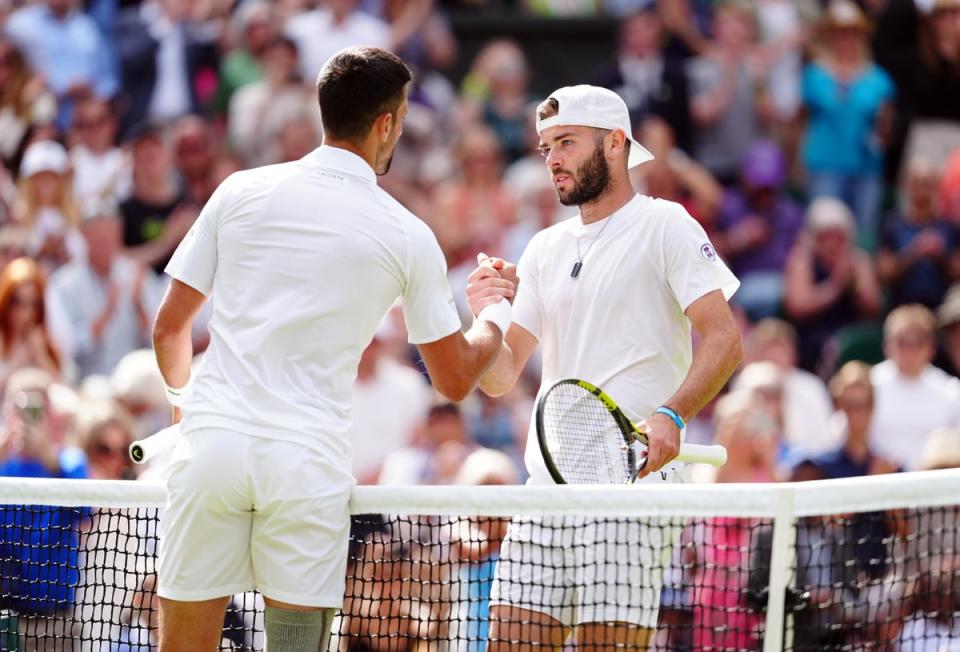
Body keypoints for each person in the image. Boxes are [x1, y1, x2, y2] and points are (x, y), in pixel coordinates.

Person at [151, 46, 513, 652]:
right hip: (305, 469)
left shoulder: (239, 190)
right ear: (387, 124)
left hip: (210, 451)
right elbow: (453, 380)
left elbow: (169, 330)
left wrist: (184, 413)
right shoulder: (406, 233)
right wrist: (495, 314)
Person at [469, 84, 742, 650]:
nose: (553, 160)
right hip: (548, 486)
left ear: (615, 143)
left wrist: (672, 413)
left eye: (566, 142)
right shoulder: (543, 248)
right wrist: (490, 310)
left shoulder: (667, 224)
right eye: (546, 148)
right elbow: (498, 379)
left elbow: (725, 341)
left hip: (633, 486)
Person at [870, 304, 960, 470]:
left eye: (918, 342)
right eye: (902, 342)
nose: (909, 350)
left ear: (931, 348)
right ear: (887, 345)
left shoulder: (951, 390)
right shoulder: (868, 387)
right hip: (877, 485)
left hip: (936, 488)